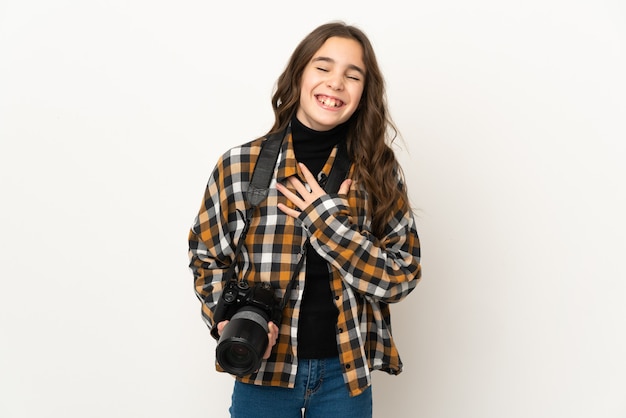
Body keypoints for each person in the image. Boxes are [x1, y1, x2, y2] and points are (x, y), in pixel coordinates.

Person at [188, 21, 422, 418]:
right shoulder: (240, 166)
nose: (335, 83)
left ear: (364, 92)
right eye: (323, 67)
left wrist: (327, 223)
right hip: (262, 370)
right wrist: (228, 315)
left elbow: (402, 276)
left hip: (344, 374)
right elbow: (206, 258)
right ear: (298, 74)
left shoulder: (377, 171)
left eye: (353, 75)